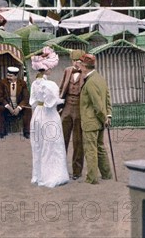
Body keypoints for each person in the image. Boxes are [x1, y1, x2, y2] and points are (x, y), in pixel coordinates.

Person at [29, 46, 69, 188]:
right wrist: (63, 101)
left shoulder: (34, 83)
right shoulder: (50, 84)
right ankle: (52, 176)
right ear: (46, 69)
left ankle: (39, 175)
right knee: (52, 144)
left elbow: (33, 101)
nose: (51, 70)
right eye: (50, 67)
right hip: (48, 115)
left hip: (38, 114)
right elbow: (52, 102)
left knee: (39, 144)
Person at [78, 53, 113, 184]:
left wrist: (104, 117)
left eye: (80, 64)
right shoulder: (99, 78)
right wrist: (108, 116)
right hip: (99, 121)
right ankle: (107, 174)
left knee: (91, 149)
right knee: (100, 147)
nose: (79, 66)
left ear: (84, 66)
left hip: (91, 121)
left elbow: (98, 104)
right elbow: (107, 98)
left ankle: (92, 178)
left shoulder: (90, 82)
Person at [59, 49, 86, 180]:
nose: (76, 64)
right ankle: (60, 169)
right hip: (67, 107)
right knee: (61, 140)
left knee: (78, 141)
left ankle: (77, 171)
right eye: (74, 61)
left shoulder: (87, 74)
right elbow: (61, 88)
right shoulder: (67, 71)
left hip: (80, 109)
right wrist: (60, 106)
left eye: (79, 61)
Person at [0, 66, 32, 139]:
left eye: (10, 76)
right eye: (7, 75)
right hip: (7, 106)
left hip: (19, 106)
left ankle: (27, 132)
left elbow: (26, 98)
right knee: (0, 109)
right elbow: (0, 97)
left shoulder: (22, 83)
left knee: (28, 109)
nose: (8, 77)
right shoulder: (3, 82)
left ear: (16, 76)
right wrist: (8, 106)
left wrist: (19, 108)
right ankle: (1, 132)